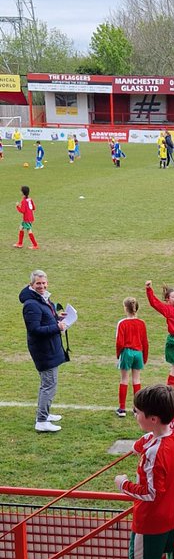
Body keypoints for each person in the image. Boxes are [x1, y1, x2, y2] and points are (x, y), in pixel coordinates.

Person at [115, 384, 174, 559]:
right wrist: (141, 443)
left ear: (152, 419)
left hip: (148, 523)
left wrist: (123, 485)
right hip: (168, 520)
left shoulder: (155, 451)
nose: (135, 414)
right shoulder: (171, 439)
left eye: (138, 412)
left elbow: (150, 492)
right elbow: (150, 441)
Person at [19, 269, 67, 432]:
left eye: (44, 283)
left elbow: (46, 319)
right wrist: (56, 327)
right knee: (49, 384)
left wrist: (59, 318)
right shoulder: (31, 304)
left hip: (49, 347)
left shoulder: (41, 299)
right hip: (43, 350)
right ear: (31, 284)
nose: (42, 286)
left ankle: (44, 414)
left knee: (48, 384)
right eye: (38, 283)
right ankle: (41, 420)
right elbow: (35, 329)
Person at [146, 272, 174, 386]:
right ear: (168, 299)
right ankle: (169, 393)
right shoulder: (167, 309)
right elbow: (154, 303)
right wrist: (149, 289)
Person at [115, 296, 149, 417]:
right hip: (138, 352)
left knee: (124, 379)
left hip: (127, 352)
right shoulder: (141, 323)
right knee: (137, 379)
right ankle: (137, 408)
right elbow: (145, 341)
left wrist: (118, 355)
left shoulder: (122, 323)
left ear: (125, 309)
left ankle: (122, 408)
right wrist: (144, 357)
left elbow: (119, 342)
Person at [14, 185, 39, 249]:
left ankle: (35, 245)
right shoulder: (30, 199)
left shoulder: (24, 201)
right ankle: (20, 243)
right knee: (21, 228)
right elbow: (33, 208)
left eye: (21, 191)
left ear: (22, 192)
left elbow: (22, 211)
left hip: (27, 218)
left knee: (29, 230)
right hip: (30, 217)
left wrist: (17, 206)